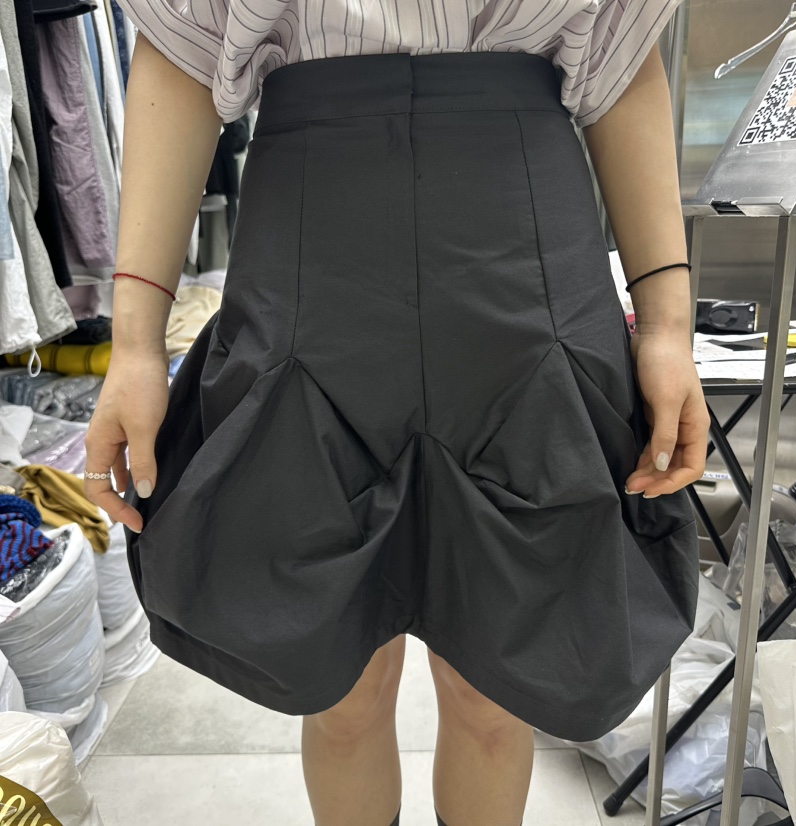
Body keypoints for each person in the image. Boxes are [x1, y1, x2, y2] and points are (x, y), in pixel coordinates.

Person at [84, 1, 710, 823]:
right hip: (313, 258)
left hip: (524, 256)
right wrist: (134, 346)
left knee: (500, 683)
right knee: (339, 679)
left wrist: (666, 324)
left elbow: (623, 58)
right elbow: (179, 53)